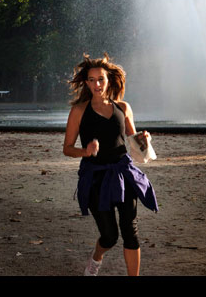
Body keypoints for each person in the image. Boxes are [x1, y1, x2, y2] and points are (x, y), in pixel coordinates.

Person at [63, 53, 158, 276]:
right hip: (96, 177)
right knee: (109, 236)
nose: (97, 84)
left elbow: (135, 145)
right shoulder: (78, 110)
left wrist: (145, 139)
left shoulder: (124, 107)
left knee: (130, 231)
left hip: (123, 173)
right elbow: (67, 148)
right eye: (92, 80)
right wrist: (85, 152)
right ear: (86, 82)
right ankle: (96, 259)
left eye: (101, 79)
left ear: (109, 80)